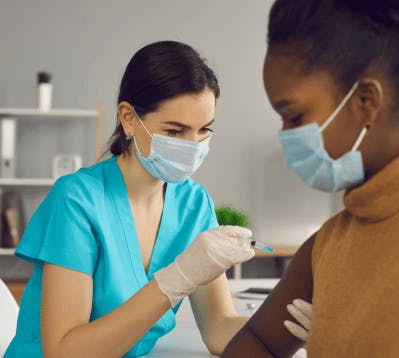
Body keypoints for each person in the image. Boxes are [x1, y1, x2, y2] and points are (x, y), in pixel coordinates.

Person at [223, 0, 399, 357]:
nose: (286, 135)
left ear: (366, 101)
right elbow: (258, 343)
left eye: (293, 116)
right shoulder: (331, 242)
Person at [5, 41, 259, 357]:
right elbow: (65, 352)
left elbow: (219, 330)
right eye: (175, 131)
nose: (193, 146)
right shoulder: (77, 200)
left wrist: (289, 323)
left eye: (204, 130)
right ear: (128, 118)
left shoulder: (194, 204)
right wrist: (173, 281)